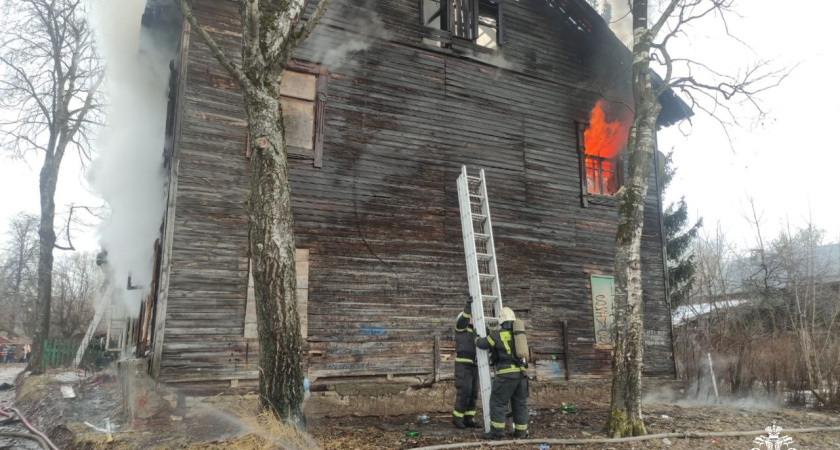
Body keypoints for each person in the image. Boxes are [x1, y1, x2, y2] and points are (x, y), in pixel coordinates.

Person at [475, 307, 529, 439]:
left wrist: (475, 338)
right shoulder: (518, 335)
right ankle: (521, 432)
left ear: (501, 321)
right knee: (520, 404)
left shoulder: (497, 335)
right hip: (521, 375)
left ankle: (497, 432)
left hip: (506, 375)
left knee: (498, 402)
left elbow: (483, 344)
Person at [453, 296, 479, 429]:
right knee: (464, 391)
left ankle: (469, 418)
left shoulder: (476, 330)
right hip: (463, 365)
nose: (471, 319)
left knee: (474, 393)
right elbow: (464, 318)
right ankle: (457, 418)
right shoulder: (460, 328)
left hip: (475, 365)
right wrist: (468, 306)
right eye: (470, 318)